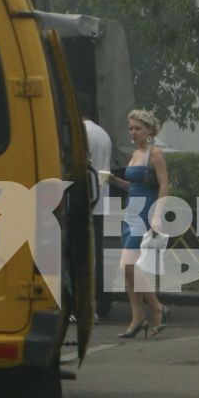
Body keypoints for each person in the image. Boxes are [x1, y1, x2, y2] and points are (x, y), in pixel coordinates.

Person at [115, 108, 170, 339]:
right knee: (129, 270)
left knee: (128, 266)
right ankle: (138, 316)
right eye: (131, 128)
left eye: (138, 128)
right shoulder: (134, 154)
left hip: (145, 212)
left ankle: (155, 308)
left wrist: (157, 216)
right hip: (131, 212)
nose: (133, 132)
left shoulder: (154, 153)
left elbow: (165, 185)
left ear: (150, 130)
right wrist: (113, 180)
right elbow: (133, 186)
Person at [79, 93, 115, 319]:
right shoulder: (103, 134)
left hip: (88, 202)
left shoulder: (83, 133)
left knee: (85, 259)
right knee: (100, 258)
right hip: (102, 201)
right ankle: (103, 303)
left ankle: (88, 305)